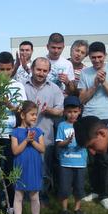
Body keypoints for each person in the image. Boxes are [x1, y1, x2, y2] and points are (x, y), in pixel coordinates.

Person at [78, 41, 108, 209]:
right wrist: (95, 84)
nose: (96, 60)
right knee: (92, 158)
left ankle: (105, 195)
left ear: (105, 56)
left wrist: (104, 83)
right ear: (89, 57)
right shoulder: (85, 72)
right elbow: (82, 99)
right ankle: (96, 190)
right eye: (93, 57)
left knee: (106, 159)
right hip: (89, 117)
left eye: (100, 57)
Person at [0, 52, 27, 214]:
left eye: (8, 69)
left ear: (12, 69)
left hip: (12, 134)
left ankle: (10, 202)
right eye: (1, 69)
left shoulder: (18, 86)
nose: (4, 72)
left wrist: (9, 104)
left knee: (11, 169)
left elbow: (22, 111)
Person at [23, 57, 64, 205]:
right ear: (32, 69)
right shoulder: (23, 86)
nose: (41, 73)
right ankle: (27, 196)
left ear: (49, 71)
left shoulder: (54, 88)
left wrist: (50, 110)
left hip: (45, 136)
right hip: (24, 136)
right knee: (26, 167)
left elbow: (60, 111)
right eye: (38, 69)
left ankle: (43, 195)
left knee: (44, 169)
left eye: (44, 70)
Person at [11, 101, 46, 214]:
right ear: (22, 115)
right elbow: (15, 151)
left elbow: (42, 149)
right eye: (32, 114)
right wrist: (26, 140)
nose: (34, 117)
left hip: (34, 167)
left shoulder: (38, 131)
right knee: (19, 195)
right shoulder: (15, 132)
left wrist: (33, 141)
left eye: (36, 115)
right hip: (20, 167)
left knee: (34, 195)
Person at [55, 96, 87, 214]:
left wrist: (82, 142)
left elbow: (87, 142)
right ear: (64, 112)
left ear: (79, 111)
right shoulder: (62, 126)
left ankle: (77, 208)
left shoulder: (83, 125)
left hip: (80, 163)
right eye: (69, 112)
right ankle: (64, 210)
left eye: (75, 111)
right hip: (66, 162)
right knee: (64, 187)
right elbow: (59, 144)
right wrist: (67, 141)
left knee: (79, 187)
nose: (72, 114)